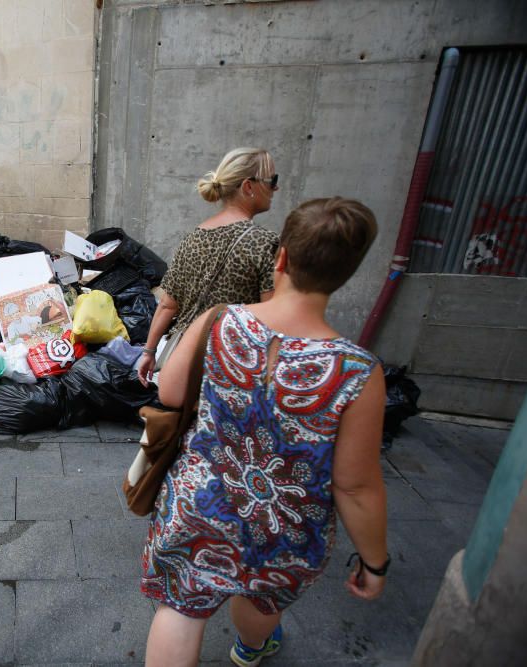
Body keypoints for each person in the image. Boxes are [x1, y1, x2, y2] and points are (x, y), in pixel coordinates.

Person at [141, 198, 388, 667]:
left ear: (281, 258)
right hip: (285, 523)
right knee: (262, 596)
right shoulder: (357, 371)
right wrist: (375, 561)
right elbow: (355, 484)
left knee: (180, 607)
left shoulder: (219, 319)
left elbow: (170, 392)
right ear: (346, 274)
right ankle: (251, 649)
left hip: (201, 500)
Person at [137, 147, 281, 388]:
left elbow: (167, 304)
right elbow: (271, 316)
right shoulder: (264, 243)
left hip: (183, 362)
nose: (276, 188)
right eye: (272, 180)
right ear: (248, 187)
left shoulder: (194, 236)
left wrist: (149, 352)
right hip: (232, 367)